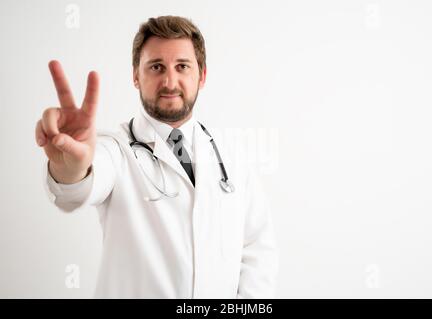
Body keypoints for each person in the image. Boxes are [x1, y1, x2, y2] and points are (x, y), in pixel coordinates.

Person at [35, 15, 278, 298]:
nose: (169, 81)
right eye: (156, 67)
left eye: (182, 66)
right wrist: (70, 168)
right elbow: (79, 186)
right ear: (136, 76)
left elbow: (256, 247)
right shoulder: (115, 149)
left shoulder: (231, 156)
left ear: (202, 76)